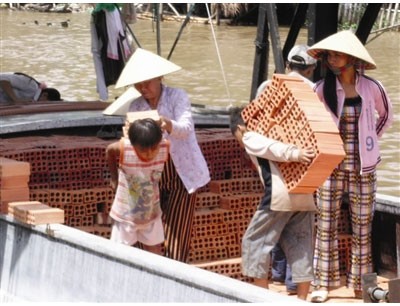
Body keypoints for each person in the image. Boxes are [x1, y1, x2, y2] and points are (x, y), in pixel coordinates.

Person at [306, 30, 393, 303]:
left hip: (364, 168)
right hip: (330, 166)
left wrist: (370, 140)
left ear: (352, 59)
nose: (332, 59)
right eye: (329, 54)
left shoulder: (372, 87)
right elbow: (311, 124)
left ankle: (362, 286)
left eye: (336, 54)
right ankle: (323, 285)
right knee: (325, 225)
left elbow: (386, 115)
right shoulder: (321, 89)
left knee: (362, 228)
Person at [115, 48, 211, 262]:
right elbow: (132, 140)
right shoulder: (136, 105)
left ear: (159, 77)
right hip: (150, 174)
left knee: (178, 233)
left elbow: (186, 128)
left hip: (181, 174)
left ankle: (175, 272)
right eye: (138, 85)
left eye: (147, 82)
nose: (143, 88)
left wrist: (165, 122)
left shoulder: (178, 96)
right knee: (146, 232)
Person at [229, 106, 316, 301]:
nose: (240, 143)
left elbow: (271, 148)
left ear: (240, 127)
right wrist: (298, 152)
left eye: (236, 136)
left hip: (279, 197)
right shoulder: (284, 130)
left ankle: (262, 298)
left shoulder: (250, 136)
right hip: (305, 194)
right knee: (300, 246)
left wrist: (294, 153)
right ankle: (302, 299)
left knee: (253, 242)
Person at [255, 44, 317, 295]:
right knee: (299, 226)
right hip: (302, 161)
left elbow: (255, 123)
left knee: (275, 222)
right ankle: (294, 282)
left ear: (289, 65)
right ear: (311, 69)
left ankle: (278, 275)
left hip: (272, 161)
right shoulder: (313, 90)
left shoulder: (266, 87)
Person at [106, 118, 169, 255]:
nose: (150, 153)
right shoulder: (125, 148)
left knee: (155, 252)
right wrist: (114, 178)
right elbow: (109, 151)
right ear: (133, 145)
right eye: (144, 150)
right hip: (125, 214)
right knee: (120, 253)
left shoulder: (163, 147)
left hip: (151, 212)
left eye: (154, 148)